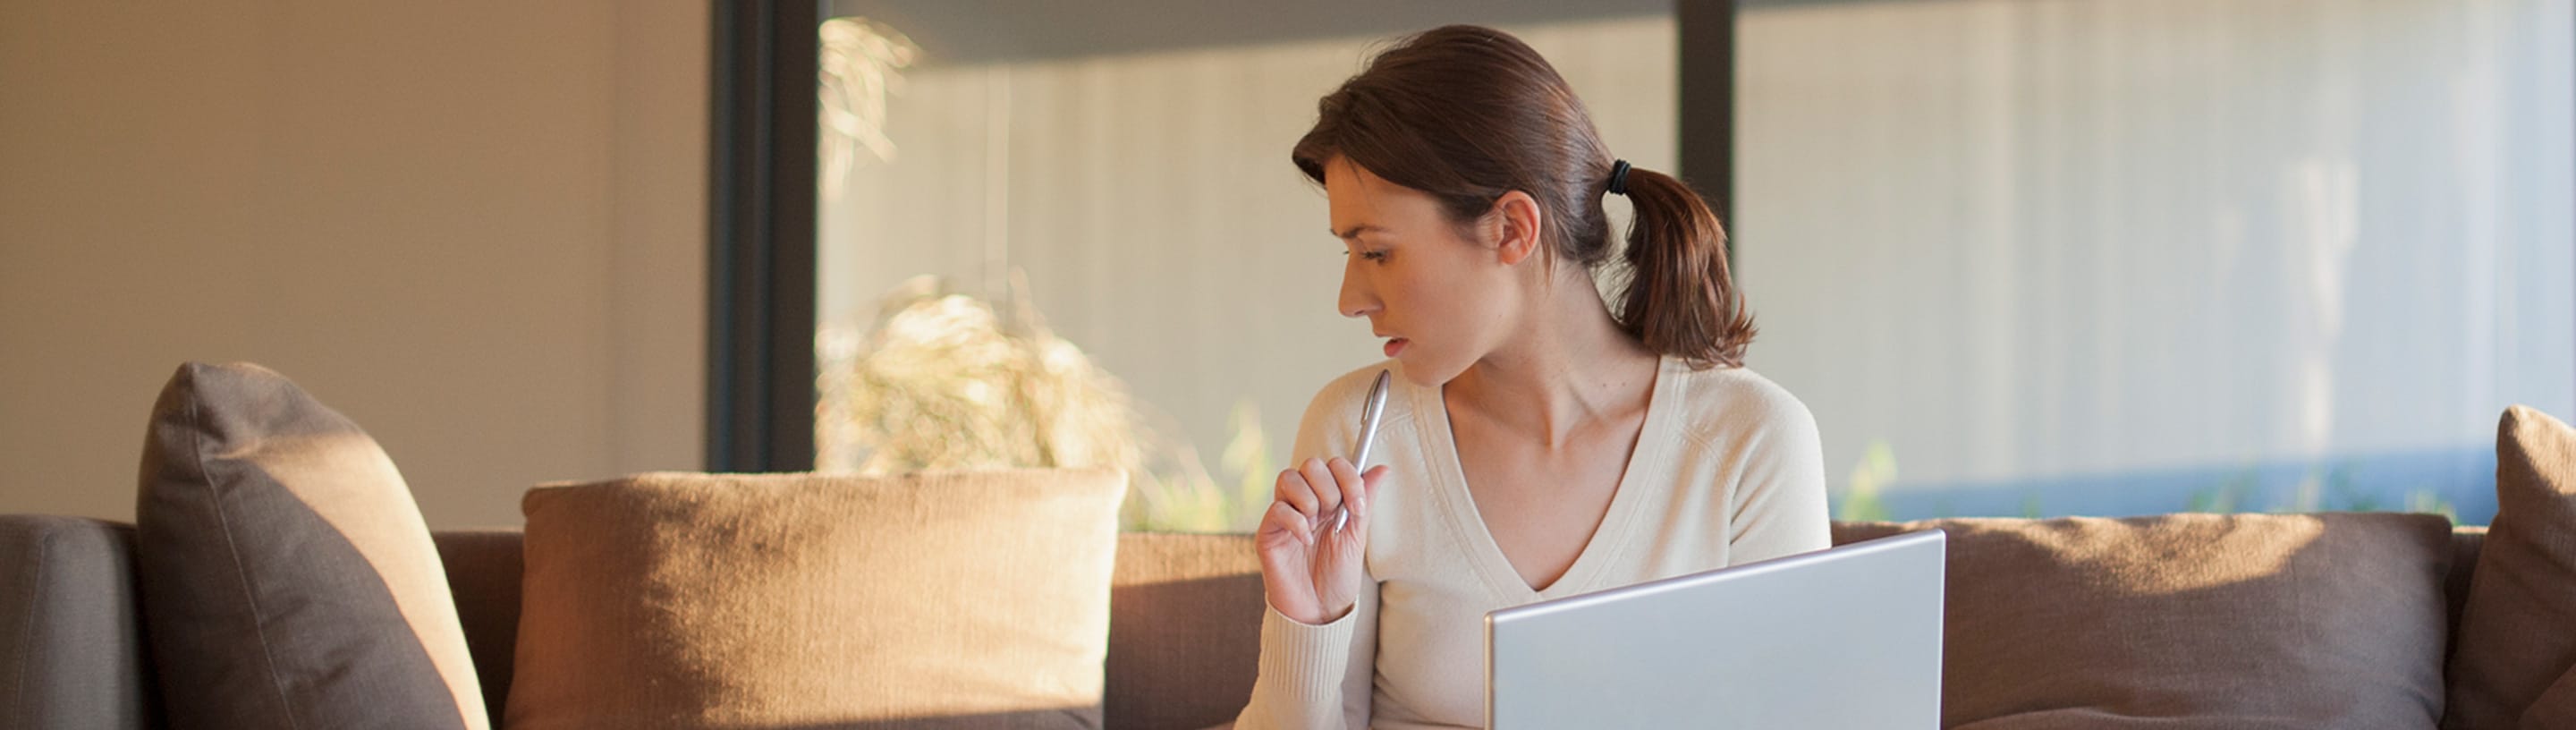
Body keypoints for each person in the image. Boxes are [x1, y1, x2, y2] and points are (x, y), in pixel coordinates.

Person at [1232, 24, 1832, 730]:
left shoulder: (1748, 442)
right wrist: (1307, 622)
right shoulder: (1358, 433)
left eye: (1378, 253)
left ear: (1512, 228)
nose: (1350, 299)